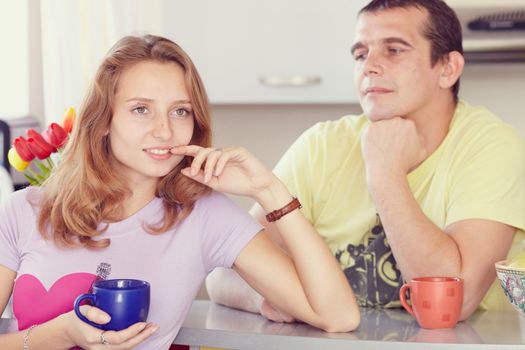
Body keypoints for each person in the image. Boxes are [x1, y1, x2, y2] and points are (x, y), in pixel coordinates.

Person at [0, 34, 360, 350]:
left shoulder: (204, 216)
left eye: (180, 111)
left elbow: (338, 315)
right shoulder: (24, 211)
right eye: (141, 109)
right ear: (105, 121)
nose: (164, 130)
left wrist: (268, 190)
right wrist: (60, 335)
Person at [206, 0, 525, 323]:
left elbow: (455, 302)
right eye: (360, 54)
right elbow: (223, 272)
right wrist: (269, 297)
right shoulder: (323, 146)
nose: (368, 65)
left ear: (447, 69)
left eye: (394, 50)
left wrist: (385, 174)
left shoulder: (491, 146)